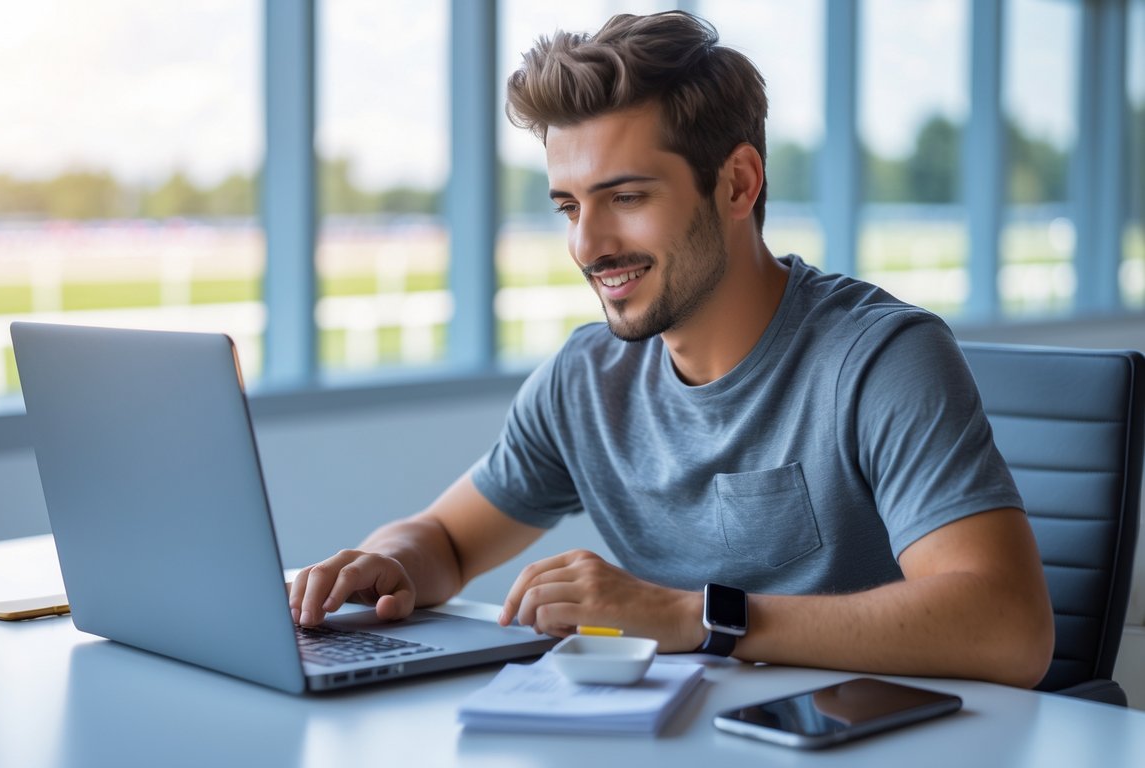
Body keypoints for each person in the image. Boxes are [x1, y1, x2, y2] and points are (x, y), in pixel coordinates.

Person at [290, 11, 1054, 688]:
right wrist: (384, 559)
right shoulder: (585, 380)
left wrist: (693, 617)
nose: (587, 245)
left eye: (625, 198)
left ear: (736, 184)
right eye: (568, 206)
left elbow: (1008, 629)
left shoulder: (880, 359)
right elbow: (447, 542)